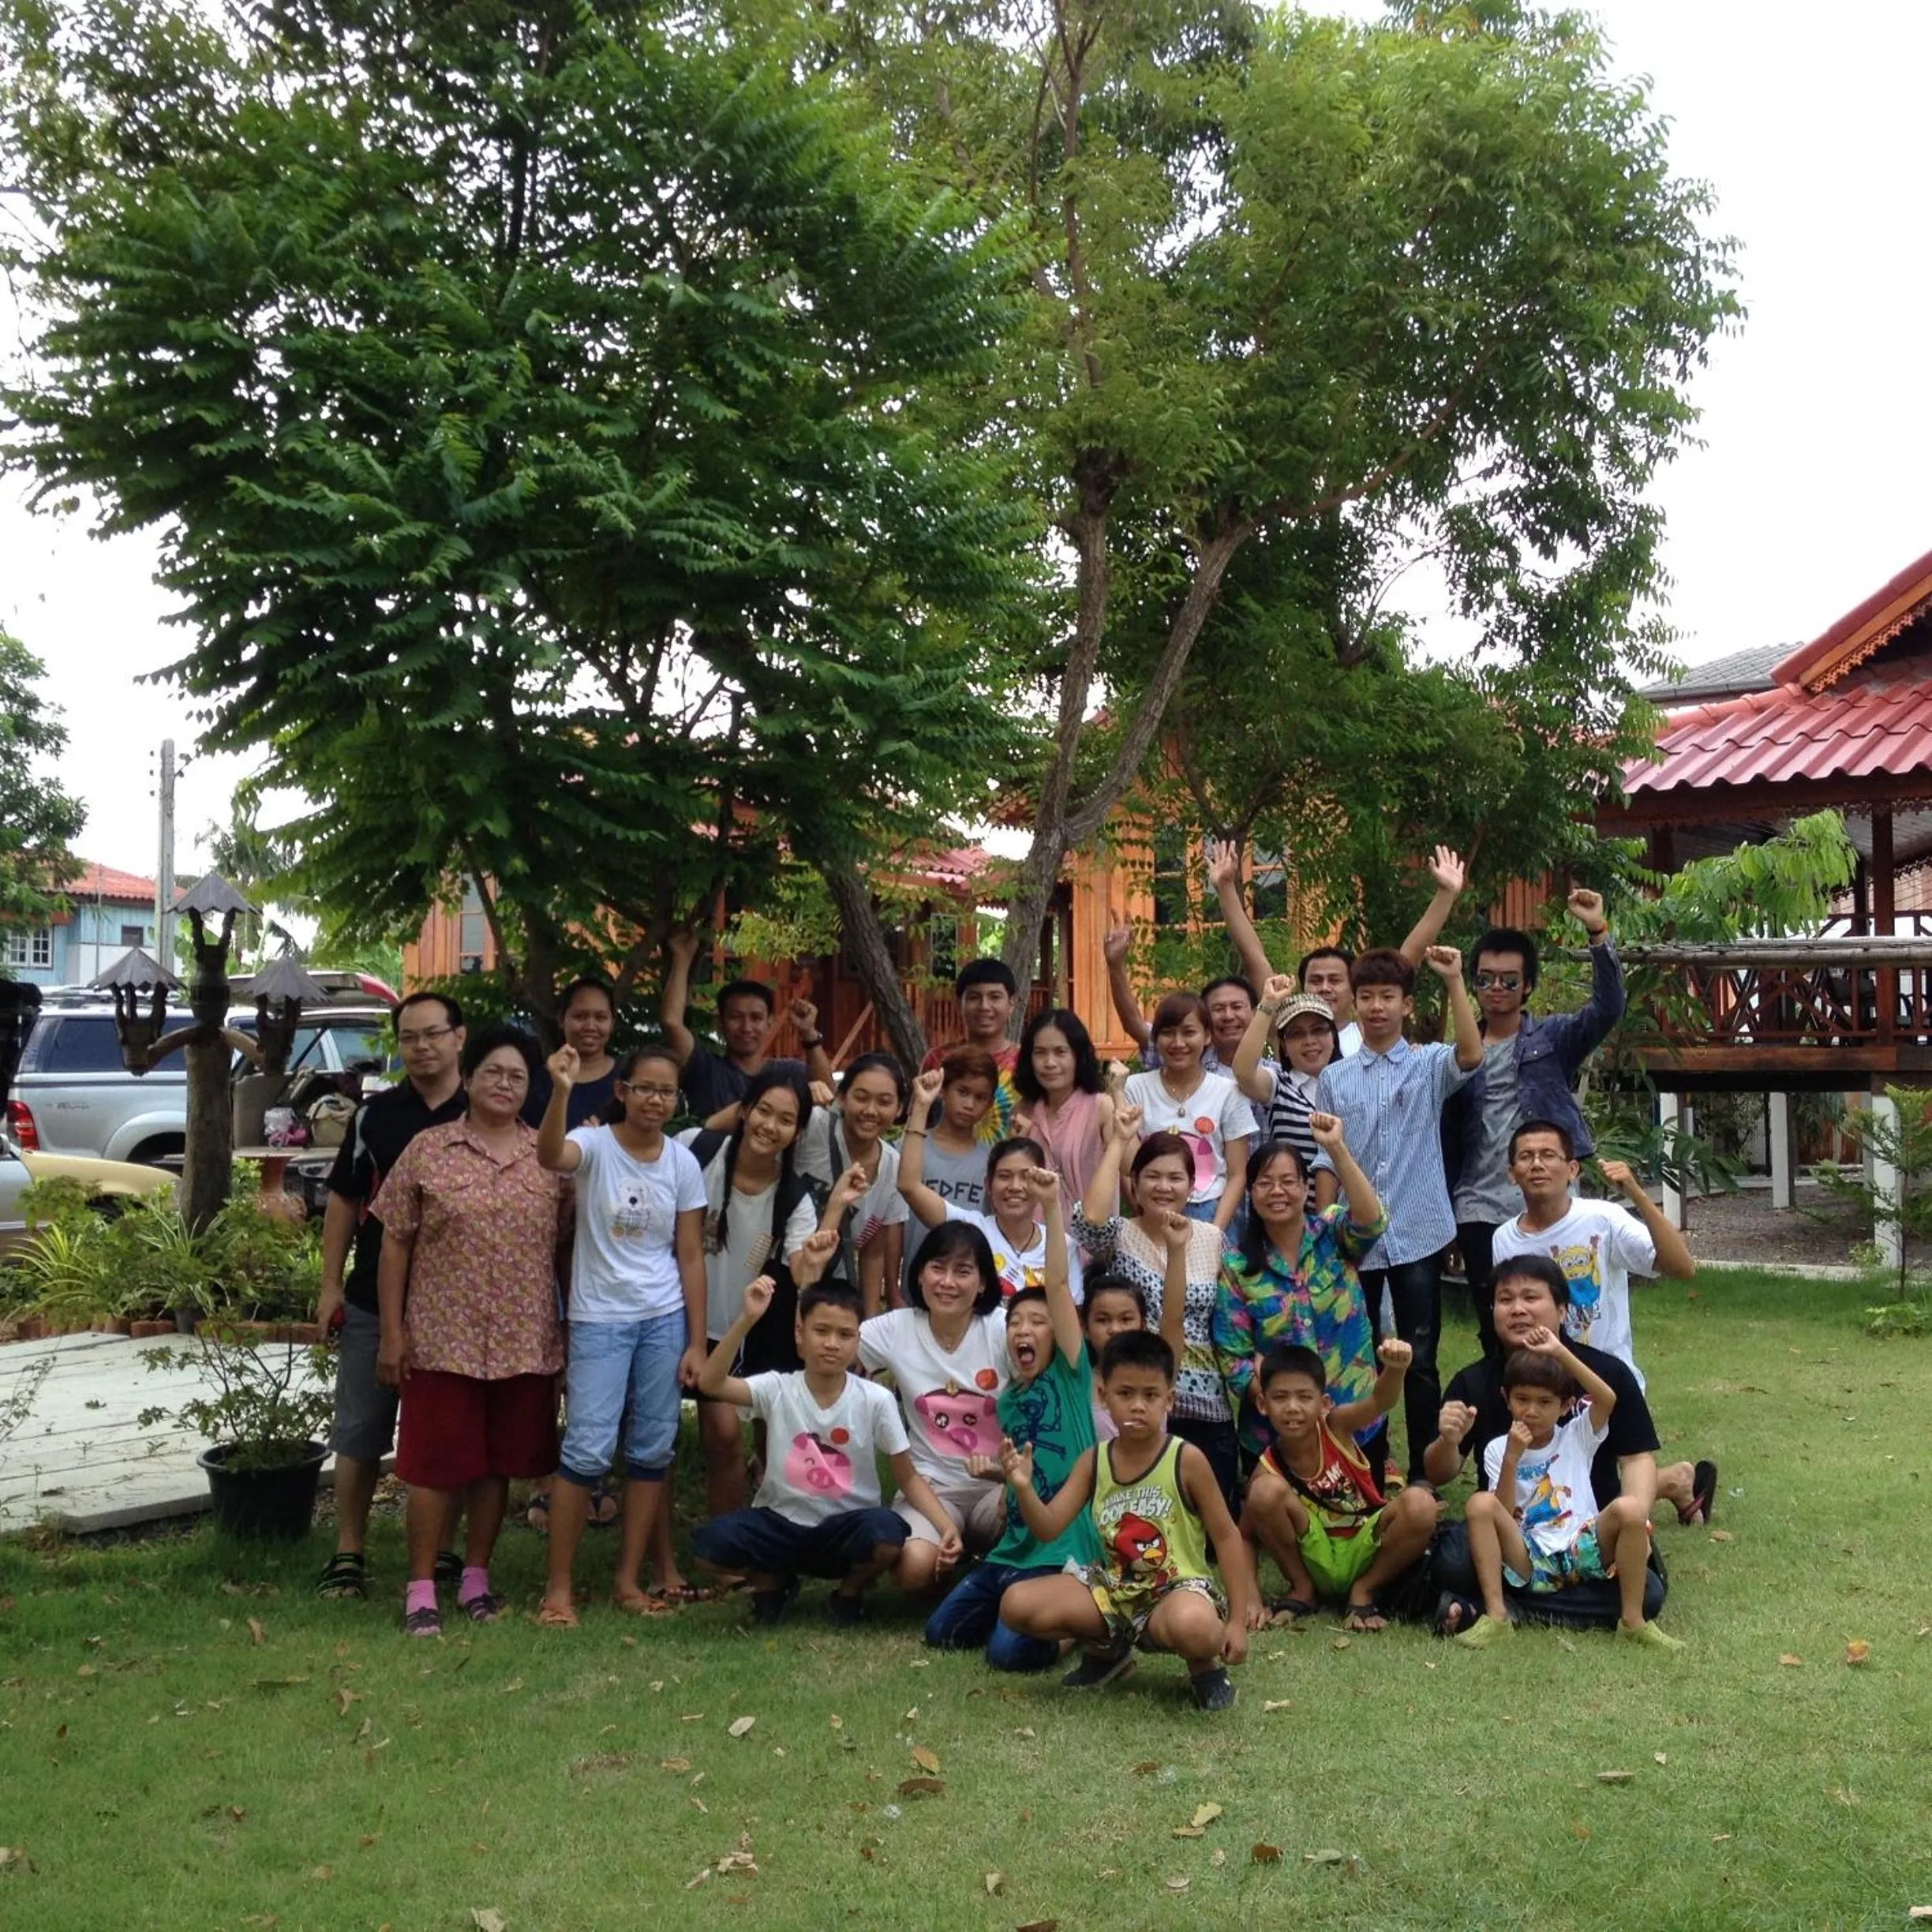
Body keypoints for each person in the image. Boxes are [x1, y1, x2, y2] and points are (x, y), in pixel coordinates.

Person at [373, 1024, 569, 1634]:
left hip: (524, 1341)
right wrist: (392, 1333)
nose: (505, 1085)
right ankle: (421, 1588)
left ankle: (476, 1578)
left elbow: (565, 1250)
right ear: (470, 1077)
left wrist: (569, 1333)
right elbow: (394, 1242)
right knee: (433, 1468)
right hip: (442, 1339)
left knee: (496, 1466)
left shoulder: (549, 1159)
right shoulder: (429, 1150)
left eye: (518, 1077)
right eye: (493, 1072)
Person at [922, 1168, 1131, 1668]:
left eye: (1038, 1321)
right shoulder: (1010, 1399)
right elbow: (1030, 1473)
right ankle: (1018, 1610)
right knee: (942, 1633)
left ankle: (1082, 1620)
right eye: (1015, 1321)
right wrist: (998, 1473)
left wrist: (1052, 1206)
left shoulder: (1071, 1375)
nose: (1024, 1329)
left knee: (1010, 1656)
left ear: (1059, 1333)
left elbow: (1055, 1282)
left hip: (1062, 1548)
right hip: (1013, 1546)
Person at [996, 1328, 1263, 1710]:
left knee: (1198, 1628)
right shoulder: (1094, 1461)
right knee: (1016, 1604)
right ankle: (1108, 1650)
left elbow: (1226, 1536)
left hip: (1175, 1589)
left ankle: (1204, 1667)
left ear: (1169, 1399)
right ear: (1103, 1396)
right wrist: (1024, 1489)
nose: (1137, 1406)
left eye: (1150, 1395)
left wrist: (1236, 1620)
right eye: (1125, 1394)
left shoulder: (1186, 1459)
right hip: (1113, 1590)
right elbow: (1049, 1527)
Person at [534, 1041, 708, 1627]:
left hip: (664, 1317)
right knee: (587, 1448)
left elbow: (690, 1255)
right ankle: (558, 1590)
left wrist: (697, 1341)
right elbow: (551, 1155)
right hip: (600, 1319)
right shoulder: (595, 1146)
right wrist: (561, 1090)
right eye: (646, 1088)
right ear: (622, 1092)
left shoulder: (682, 1163)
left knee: (654, 1449)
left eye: (667, 1091)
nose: (656, 1100)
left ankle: (629, 1582)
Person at [691, 1249, 961, 1625]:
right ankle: (773, 1582)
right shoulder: (777, 1388)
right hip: (781, 1523)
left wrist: (946, 1527)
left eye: (845, 1335)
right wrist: (747, 1319)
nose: (832, 1343)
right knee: (708, 1546)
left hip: (845, 1529)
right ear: (799, 1335)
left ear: (858, 1341)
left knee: (887, 1533)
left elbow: (908, 1477)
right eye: (821, 1331)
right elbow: (710, 1383)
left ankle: (849, 1592)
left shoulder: (876, 1399)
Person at [314, 990, 468, 1604]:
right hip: (375, 1299)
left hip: (459, 1305)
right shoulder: (374, 1116)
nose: (421, 1047)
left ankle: (447, 1549)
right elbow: (344, 1200)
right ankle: (348, 1551)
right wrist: (329, 1285)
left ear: (459, 1038)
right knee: (359, 1431)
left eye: (433, 1034)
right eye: (409, 1037)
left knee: (452, 1434)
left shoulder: (487, 1109)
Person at [1423, 1255, 1668, 1633]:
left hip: (1587, 1535)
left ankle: (1503, 1606)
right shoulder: (1473, 1382)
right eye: (1505, 1299)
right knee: (1451, 1562)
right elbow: (1439, 1472)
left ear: (1562, 1309)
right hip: (1512, 1539)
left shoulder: (1605, 1372)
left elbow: (1637, 1459)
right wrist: (1448, 1440)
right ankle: (1525, 1605)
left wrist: (1639, 1520)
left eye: (1530, 1297)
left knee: (1647, 1593)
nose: (1517, 1309)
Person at [1311, 945, 1483, 1483]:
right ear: (1354, 1003)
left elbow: (1472, 1055)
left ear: (1406, 1005)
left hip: (1418, 1230)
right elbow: (1326, 1158)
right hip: (1356, 1239)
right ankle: (1370, 1464)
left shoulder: (1428, 1064)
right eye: (1366, 997)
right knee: (1360, 1357)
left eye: (1388, 997)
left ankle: (1422, 1474)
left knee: (1420, 1356)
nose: (1376, 1007)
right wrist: (1324, 1227)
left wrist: (1454, 980)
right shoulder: (1336, 1078)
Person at [1491, 1122, 1713, 1524]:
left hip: (1606, 1382)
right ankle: (1675, 1481)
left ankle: (1666, 1488)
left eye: (1549, 1155)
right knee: (1564, 1492)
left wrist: (1636, 1192)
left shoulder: (1603, 1218)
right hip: (1543, 1387)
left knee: (1603, 1498)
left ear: (1572, 1169)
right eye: (1526, 1157)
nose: (1537, 1164)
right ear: (1511, 1173)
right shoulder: (1504, 1239)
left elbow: (1682, 1267)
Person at [1444, 891, 1626, 1357]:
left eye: (1510, 980)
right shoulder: (1456, 1056)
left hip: (1548, 1202)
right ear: (1473, 984)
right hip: (1478, 1206)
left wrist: (1597, 932)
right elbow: (1447, 1140)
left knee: (1561, 1322)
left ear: (1527, 986)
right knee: (1497, 1327)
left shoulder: (1554, 1037)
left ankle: (1569, 1401)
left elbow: (1608, 1009)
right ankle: (1506, 1405)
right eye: (1485, 979)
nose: (1497, 988)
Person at [1453, 1324, 1684, 1653]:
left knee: (1631, 1508)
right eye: (1522, 1399)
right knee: (1479, 1504)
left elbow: (1607, 1398)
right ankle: (1497, 1617)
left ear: (1565, 1406)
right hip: (1529, 1556)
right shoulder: (1498, 1449)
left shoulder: (1576, 1435)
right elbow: (1501, 1512)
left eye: (1545, 1402)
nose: (1531, 1411)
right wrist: (1511, 1459)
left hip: (1582, 1547)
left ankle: (1633, 1622)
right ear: (1506, 1399)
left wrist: (1559, 1350)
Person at [676, 1065, 824, 1520]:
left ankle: (731, 1538)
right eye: (763, 1110)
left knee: (731, 1437)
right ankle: (709, 1544)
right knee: (693, 1437)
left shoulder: (794, 1198)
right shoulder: (695, 1150)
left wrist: (814, 1255)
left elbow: (801, 1269)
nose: (770, 1126)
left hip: (736, 1332)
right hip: (673, 1317)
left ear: (798, 1132)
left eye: (786, 1119)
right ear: (743, 1111)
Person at [1075, 1106, 1238, 1505]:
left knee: (1210, 1512)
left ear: (1192, 1186)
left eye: (1175, 1178)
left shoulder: (1213, 1239)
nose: (1163, 1187)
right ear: (1135, 1183)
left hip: (1205, 1401)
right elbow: (1089, 1219)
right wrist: (1119, 1140)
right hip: (1138, 1396)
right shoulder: (1119, 1235)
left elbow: (1229, 1320)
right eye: (1152, 1176)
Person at [1212, 1116, 1387, 1466]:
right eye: (1265, 1183)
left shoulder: (1332, 1232)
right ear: (1251, 1193)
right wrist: (1283, 1405)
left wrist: (1336, 1148)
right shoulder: (1237, 1267)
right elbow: (1234, 1358)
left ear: (1306, 1188)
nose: (1277, 1191)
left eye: (1288, 1181)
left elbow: (1373, 1222)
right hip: (1277, 1437)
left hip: (1354, 1420)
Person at [1241, 1339, 1438, 1631]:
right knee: (1263, 1491)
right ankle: (1302, 1589)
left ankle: (1364, 1589)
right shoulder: (1267, 1468)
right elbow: (1244, 1537)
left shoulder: (1337, 1426)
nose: (1292, 1408)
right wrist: (1249, 1598)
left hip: (1365, 1543)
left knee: (1421, 1502)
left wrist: (1395, 1370)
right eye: (1280, 1398)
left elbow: (1380, 1402)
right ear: (1262, 1404)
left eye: (1304, 1397)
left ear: (1324, 1404)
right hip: (1315, 1554)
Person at [858, 1220, 1013, 1590]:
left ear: (983, 1283)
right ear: (919, 1274)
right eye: (937, 1268)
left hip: (998, 1484)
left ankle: (982, 1558)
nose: (947, 1282)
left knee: (1029, 1535)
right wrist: (808, 1278)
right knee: (914, 1572)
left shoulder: (1003, 1328)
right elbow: (827, 1345)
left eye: (963, 1271)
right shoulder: (896, 1328)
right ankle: (953, 1550)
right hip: (931, 1485)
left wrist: (1016, 1478)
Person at [901, 1072, 1085, 1302]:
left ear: (1041, 1181)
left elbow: (1072, 1309)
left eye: (1026, 1176)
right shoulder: (972, 1228)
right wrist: (921, 1106)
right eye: (1004, 1176)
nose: (1015, 1187)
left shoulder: (1062, 1244)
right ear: (988, 1185)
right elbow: (909, 1186)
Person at [661, 927, 833, 1120]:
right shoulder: (704, 1069)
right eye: (736, 1017)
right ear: (720, 1023)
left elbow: (827, 1094)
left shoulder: (788, 1073)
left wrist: (809, 1034)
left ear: (769, 1023)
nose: (746, 1027)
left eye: (756, 1018)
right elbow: (672, 1022)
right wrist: (682, 958)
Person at [1120, 993, 1253, 1230]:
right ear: (1156, 1038)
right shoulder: (1134, 1088)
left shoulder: (1228, 1092)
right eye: (1168, 1033)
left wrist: (1214, 1233)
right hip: (1152, 1210)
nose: (1178, 1043)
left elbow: (1237, 1174)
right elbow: (1129, 1167)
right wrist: (1145, 1217)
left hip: (1211, 1212)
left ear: (1207, 1036)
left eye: (1189, 1032)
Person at [795, 1052, 911, 1316]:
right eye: (861, 1097)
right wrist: (798, 1100)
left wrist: (869, 1322)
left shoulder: (894, 1166)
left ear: (899, 1109)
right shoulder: (813, 1127)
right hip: (778, 1275)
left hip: (828, 1294)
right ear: (842, 1097)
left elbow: (874, 1251)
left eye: (884, 1102)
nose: (871, 1111)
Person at [897, 1046, 996, 1295]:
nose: (969, 1104)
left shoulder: (992, 1161)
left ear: (990, 1104)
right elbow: (891, 1223)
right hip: (915, 1285)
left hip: (966, 1289)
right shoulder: (910, 1148)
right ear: (944, 1090)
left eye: (980, 1097)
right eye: (962, 1092)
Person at [1230, 982, 1342, 1174]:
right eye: (1297, 1034)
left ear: (1333, 1036)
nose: (1309, 1041)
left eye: (1318, 1030)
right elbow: (1243, 1071)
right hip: (1292, 1193)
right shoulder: (1279, 1085)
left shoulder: (1353, 1081)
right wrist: (1268, 1004)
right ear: (1284, 1047)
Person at [1012, 1007, 1115, 1214]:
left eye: (1060, 1052)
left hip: (1089, 1230)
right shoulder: (1023, 1110)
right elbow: (1011, 1176)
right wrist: (1015, 1141)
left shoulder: (1101, 1107)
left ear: (1078, 1056)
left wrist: (1119, 1095)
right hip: (1034, 1232)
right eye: (1040, 1053)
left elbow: (1131, 1167)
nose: (1049, 1063)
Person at [918, 957, 1023, 1143]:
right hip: (946, 1159)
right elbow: (920, 1119)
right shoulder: (939, 1059)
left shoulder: (1025, 1062)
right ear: (959, 1004)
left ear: (1011, 1005)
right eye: (974, 997)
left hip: (1010, 1160)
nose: (984, 1006)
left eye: (995, 997)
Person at [519, 976, 622, 1129]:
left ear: (612, 1023)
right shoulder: (538, 1082)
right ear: (561, 1020)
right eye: (580, 1017)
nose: (590, 1026)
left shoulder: (628, 1077)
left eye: (600, 1018)